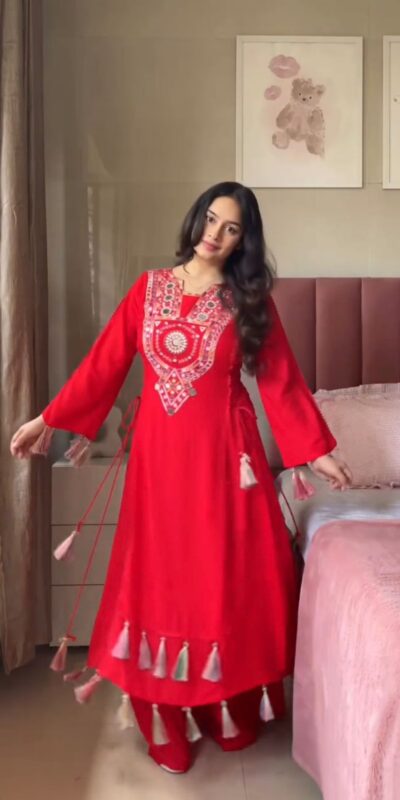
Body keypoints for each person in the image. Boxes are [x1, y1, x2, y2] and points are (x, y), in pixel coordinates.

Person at [10, 181, 351, 774]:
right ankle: (166, 721)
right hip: (160, 465)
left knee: (219, 578)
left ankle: (230, 709)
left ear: (244, 241)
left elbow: (280, 379)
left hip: (227, 464)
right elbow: (104, 363)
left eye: (231, 228)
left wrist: (315, 452)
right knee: (163, 581)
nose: (215, 235)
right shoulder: (149, 289)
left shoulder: (248, 302)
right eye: (211, 219)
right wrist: (49, 418)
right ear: (196, 219)